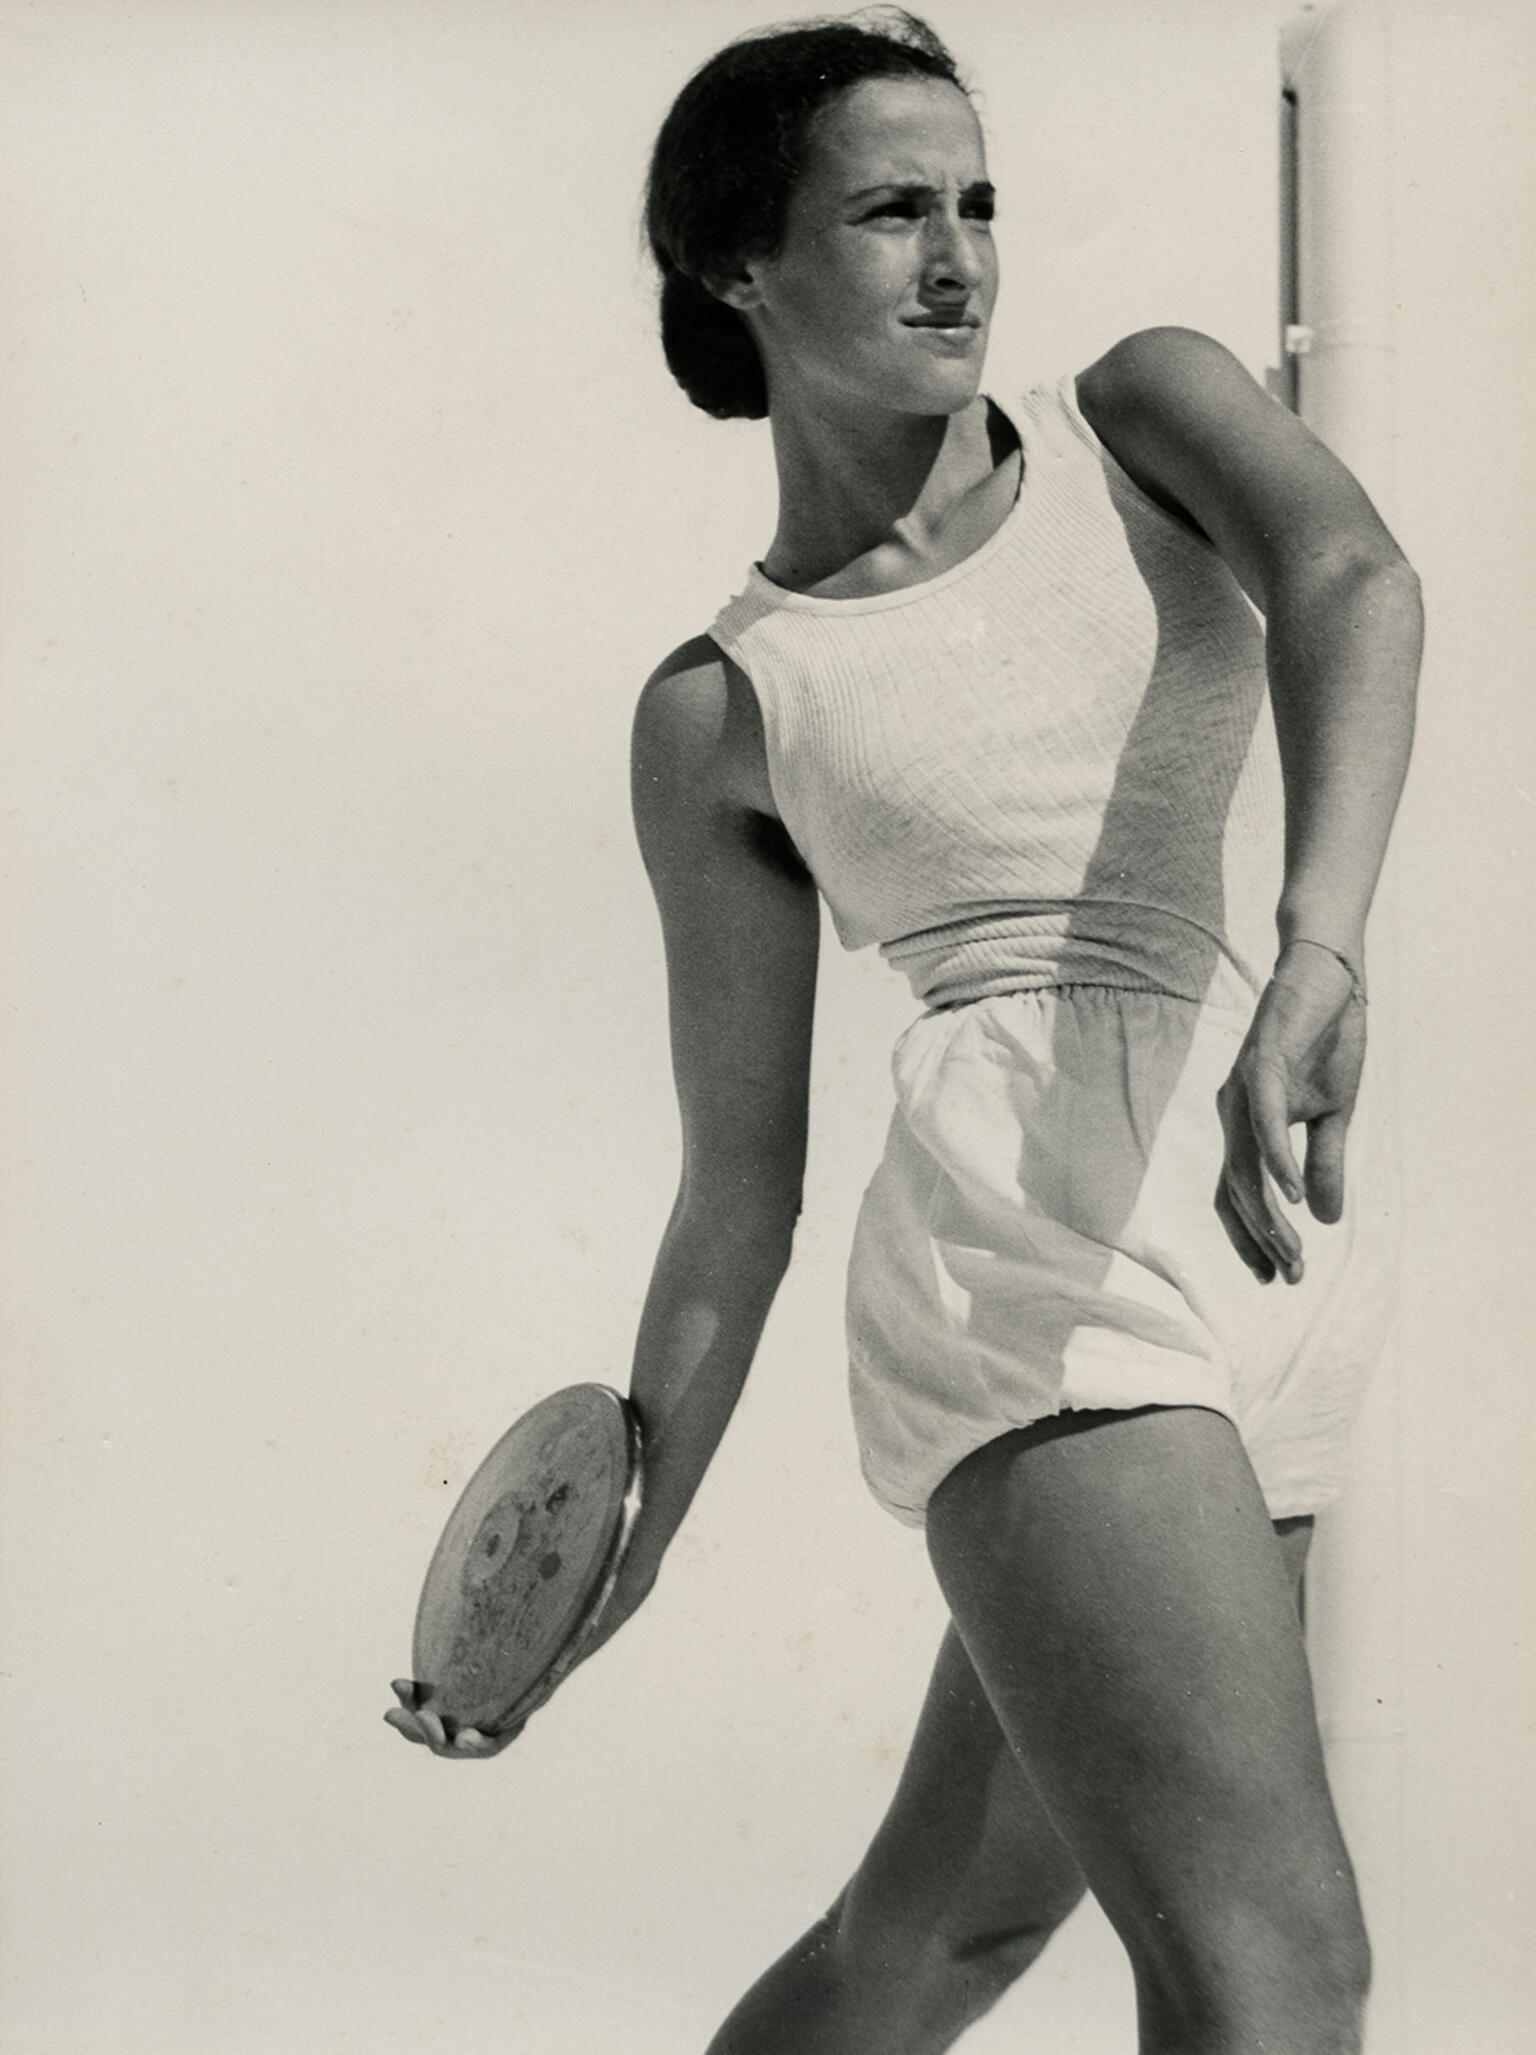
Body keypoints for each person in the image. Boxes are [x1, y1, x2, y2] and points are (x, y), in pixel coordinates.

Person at [388, 11, 1422, 2051]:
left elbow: (1356, 575)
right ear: (739, 268)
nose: (957, 256)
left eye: (977, 203)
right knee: (1276, 1969)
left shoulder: (1140, 407)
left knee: (930, 1940)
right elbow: (738, 1183)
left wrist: (1318, 948)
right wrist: (632, 1533)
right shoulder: (721, 706)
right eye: (889, 210)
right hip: (1026, 1254)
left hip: (1248, 1210)